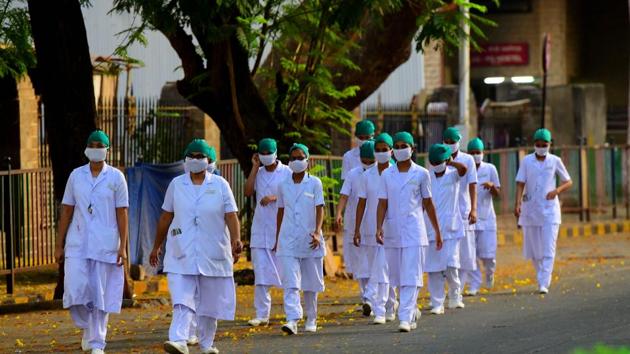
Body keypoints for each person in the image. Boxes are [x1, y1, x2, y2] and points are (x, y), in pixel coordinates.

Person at [149, 139, 243, 354]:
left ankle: (207, 343)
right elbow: (165, 217)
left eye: (200, 156)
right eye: (191, 156)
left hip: (213, 251)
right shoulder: (176, 184)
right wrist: (156, 246)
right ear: (185, 159)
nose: (195, 160)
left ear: (208, 160)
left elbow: (231, 215)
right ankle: (179, 340)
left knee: (209, 303)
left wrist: (235, 239)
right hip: (181, 250)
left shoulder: (220, 185)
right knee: (182, 298)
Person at [54, 129, 129, 354]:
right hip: (78, 242)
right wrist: (59, 244)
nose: (96, 149)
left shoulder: (116, 177)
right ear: (86, 148)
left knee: (100, 294)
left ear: (107, 150)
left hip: (106, 244)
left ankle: (97, 342)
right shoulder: (76, 175)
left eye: (100, 145)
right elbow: (66, 210)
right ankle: (88, 327)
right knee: (75, 289)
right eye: (93, 144)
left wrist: (122, 247)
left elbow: (122, 212)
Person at [375, 131, 442, 332]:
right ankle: (411, 309)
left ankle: (404, 317)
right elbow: (382, 203)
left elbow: (428, 204)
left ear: (412, 149)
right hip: (393, 231)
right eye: (397, 146)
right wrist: (378, 227)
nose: (400, 149)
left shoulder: (422, 173)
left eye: (404, 146)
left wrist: (437, 231)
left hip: (415, 231)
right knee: (396, 276)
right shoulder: (386, 174)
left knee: (410, 276)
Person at [274, 143, 326, 335]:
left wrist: (317, 231)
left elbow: (320, 208)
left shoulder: (315, 183)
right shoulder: (283, 185)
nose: (297, 161)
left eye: (300, 157)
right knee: (290, 281)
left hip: (310, 239)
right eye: (293, 158)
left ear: (307, 160)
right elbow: (281, 210)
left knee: (311, 282)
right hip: (288, 238)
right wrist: (277, 237)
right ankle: (292, 319)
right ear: (289, 161)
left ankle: (311, 317)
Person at [514, 129, 572, 294]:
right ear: (534, 144)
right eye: (538, 145)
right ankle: (540, 274)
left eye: (544, 145)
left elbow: (568, 181)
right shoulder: (526, 161)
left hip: (550, 211)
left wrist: (557, 190)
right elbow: (520, 183)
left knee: (548, 247)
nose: (541, 148)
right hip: (530, 209)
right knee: (534, 249)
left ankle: (543, 282)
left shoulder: (555, 161)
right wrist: (517, 203)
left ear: (549, 144)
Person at [244, 138, 292, 326]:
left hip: (281, 229)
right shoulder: (259, 172)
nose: (265, 157)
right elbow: (248, 191)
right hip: (260, 229)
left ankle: (291, 312)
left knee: (287, 273)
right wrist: (255, 168)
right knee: (261, 274)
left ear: (276, 153)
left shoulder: (287, 172)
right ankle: (262, 314)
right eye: (261, 154)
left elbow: (295, 194)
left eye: (268, 153)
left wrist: (275, 197)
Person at [354, 133, 395, 324]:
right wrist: (357, 229)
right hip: (371, 228)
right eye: (377, 151)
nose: (380, 154)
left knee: (384, 268)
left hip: (393, 228)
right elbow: (361, 203)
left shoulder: (397, 172)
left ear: (391, 151)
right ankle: (389, 305)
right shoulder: (367, 176)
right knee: (380, 268)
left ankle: (379, 307)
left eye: (384, 150)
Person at [424, 144, 467, 314]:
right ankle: (437, 303)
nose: (436, 164)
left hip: (451, 228)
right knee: (434, 267)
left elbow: (464, 169)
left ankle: (455, 295)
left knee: (451, 264)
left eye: (439, 161)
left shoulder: (453, 174)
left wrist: (451, 162)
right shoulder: (426, 176)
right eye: (434, 162)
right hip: (432, 227)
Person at [335, 140, 375, 308]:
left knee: (376, 263)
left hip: (376, 224)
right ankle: (366, 298)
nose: (367, 164)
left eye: (370, 161)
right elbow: (344, 195)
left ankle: (378, 299)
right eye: (364, 161)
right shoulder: (353, 174)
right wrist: (338, 213)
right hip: (356, 223)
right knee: (360, 264)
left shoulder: (385, 173)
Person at [442, 127, 478, 299]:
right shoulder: (438, 157)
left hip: (464, 210)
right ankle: (452, 288)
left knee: (465, 253)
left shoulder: (468, 159)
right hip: (445, 211)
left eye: (452, 142)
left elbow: (472, 184)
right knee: (449, 254)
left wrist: (474, 209)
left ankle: (458, 288)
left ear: (458, 142)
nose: (449, 145)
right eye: (446, 142)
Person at [466, 138, 501, 295]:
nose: (475, 156)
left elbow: (498, 194)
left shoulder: (490, 168)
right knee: (470, 254)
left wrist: (492, 186)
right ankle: (474, 284)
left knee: (488, 255)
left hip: (487, 218)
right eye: (472, 153)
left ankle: (490, 272)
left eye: (477, 153)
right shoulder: (465, 169)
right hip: (469, 218)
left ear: (483, 153)